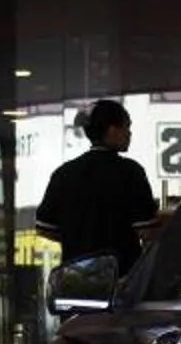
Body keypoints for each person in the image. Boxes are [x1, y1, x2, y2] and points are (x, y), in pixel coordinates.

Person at [35, 99, 159, 271]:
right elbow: (147, 231)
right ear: (112, 130)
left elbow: (44, 228)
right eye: (127, 127)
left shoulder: (64, 173)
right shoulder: (130, 172)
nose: (129, 134)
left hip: (75, 276)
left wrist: (76, 237)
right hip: (120, 275)